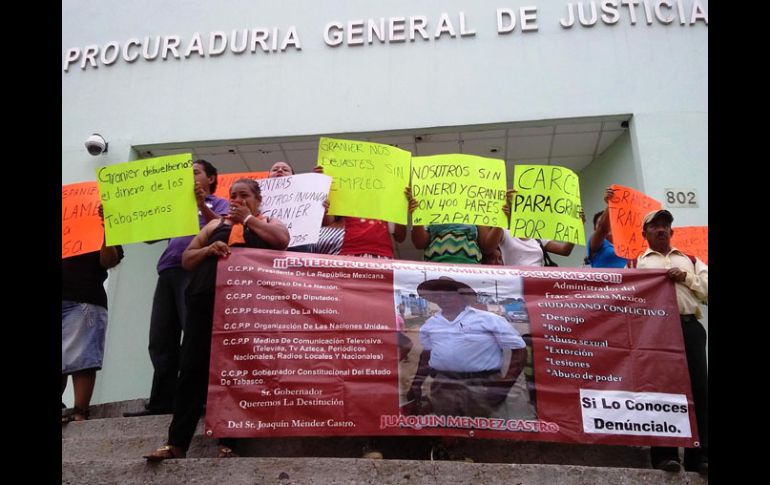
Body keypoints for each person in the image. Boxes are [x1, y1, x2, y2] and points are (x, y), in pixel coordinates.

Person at [143, 178, 289, 460]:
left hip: (245, 307)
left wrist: (247, 219)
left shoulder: (268, 220)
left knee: (236, 370)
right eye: (233, 195)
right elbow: (187, 259)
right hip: (203, 301)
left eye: (244, 195)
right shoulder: (214, 225)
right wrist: (208, 250)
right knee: (191, 370)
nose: (237, 199)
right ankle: (176, 443)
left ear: (258, 200)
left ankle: (229, 442)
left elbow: (281, 241)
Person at [125, 160, 229, 417]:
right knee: (161, 338)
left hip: (196, 271)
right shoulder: (175, 205)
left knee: (194, 336)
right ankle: (161, 401)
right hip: (168, 272)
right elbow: (149, 237)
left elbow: (223, 230)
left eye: (195, 172)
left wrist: (201, 205)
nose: (190, 177)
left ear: (212, 179)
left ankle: (200, 398)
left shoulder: (221, 204)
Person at [634, 209, 708, 475]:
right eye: (655, 226)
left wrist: (686, 277)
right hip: (656, 333)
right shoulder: (634, 264)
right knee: (661, 392)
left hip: (689, 327)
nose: (661, 229)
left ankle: (698, 457)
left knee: (699, 390)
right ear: (645, 234)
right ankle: (664, 455)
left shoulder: (690, 260)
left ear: (671, 232)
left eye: (665, 225)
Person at [406, 277, 527, 418]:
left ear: (462, 296)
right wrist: (416, 384)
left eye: (448, 294)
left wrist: (504, 386)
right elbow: (427, 355)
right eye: (438, 295)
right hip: (444, 385)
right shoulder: (430, 324)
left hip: (483, 385)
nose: (442, 298)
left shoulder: (489, 319)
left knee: (483, 429)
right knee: (447, 428)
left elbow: (519, 349)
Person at [62, 205, 124, 423]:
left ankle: (80, 411)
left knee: (82, 358)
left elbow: (109, 261)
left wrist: (107, 228)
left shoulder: (106, 228)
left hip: (85, 300)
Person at [482, 190, 579, 266]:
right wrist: (500, 214)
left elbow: (564, 250)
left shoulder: (536, 236)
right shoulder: (504, 233)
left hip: (538, 283)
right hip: (516, 284)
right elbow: (488, 247)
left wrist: (576, 226)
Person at [405, 187, 495, 264]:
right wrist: (417, 214)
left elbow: (487, 246)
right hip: (437, 270)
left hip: (470, 271)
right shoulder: (430, 203)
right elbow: (419, 243)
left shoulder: (475, 204)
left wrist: (501, 222)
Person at [587, 187, 627, 268]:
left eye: (611, 222)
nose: (608, 225)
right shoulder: (595, 244)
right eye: (599, 224)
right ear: (595, 230)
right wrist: (611, 203)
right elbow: (603, 229)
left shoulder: (629, 244)